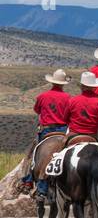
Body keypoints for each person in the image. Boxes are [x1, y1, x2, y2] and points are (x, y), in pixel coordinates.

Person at [21, 69, 72, 199]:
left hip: (46, 130)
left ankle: (28, 180)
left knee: (32, 153)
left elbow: (37, 110)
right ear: (63, 84)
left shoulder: (42, 96)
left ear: (52, 82)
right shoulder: (68, 98)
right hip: (63, 131)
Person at [66, 72, 98, 144]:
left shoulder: (72, 100)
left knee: (59, 149)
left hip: (73, 135)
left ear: (81, 86)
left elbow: (65, 119)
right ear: (94, 87)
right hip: (92, 136)